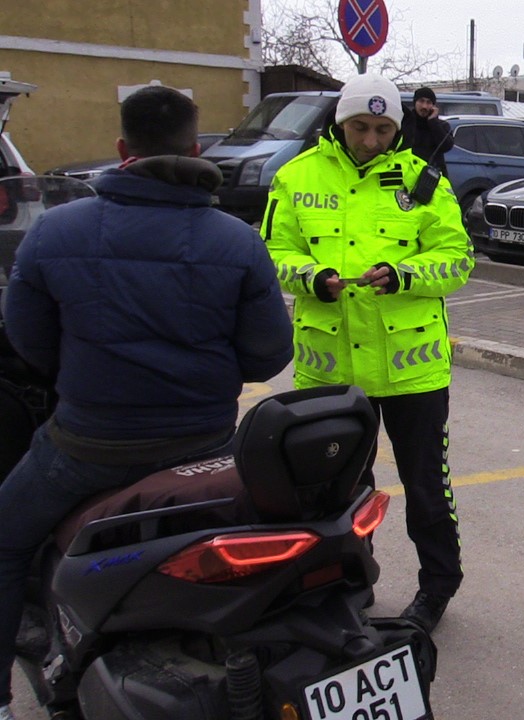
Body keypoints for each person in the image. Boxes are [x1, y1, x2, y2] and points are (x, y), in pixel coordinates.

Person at [0, 85, 293, 720]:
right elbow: (269, 356)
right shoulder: (237, 241)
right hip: (207, 449)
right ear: (195, 148)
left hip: (85, 447)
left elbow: (27, 340)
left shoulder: (55, 231)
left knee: (5, 537)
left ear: (120, 149)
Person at [261, 73, 473, 633]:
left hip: (413, 371)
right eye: (361, 127)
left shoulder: (422, 181)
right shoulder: (295, 176)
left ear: (399, 128)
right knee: (337, 491)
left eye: (384, 129)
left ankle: (437, 586)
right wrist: (312, 277)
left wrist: (404, 275)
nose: (372, 140)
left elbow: (458, 259)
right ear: (340, 122)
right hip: (330, 368)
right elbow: (274, 250)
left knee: (427, 487)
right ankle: (347, 582)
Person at [402, 86, 455, 178]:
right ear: (415, 103)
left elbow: (446, 146)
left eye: (428, 102)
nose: (424, 106)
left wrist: (432, 122)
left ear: (433, 106)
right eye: (421, 101)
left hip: (433, 176)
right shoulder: (405, 123)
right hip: (408, 174)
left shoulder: (441, 126)